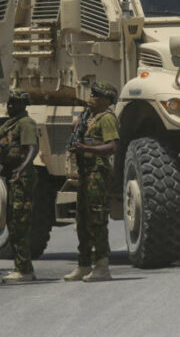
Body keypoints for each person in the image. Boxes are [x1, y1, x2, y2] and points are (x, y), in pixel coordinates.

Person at [63, 82, 119, 282]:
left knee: (97, 219)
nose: (91, 97)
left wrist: (86, 150)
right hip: (86, 173)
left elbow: (112, 147)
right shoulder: (88, 116)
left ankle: (102, 266)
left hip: (98, 172)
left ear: (105, 100)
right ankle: (84, 264)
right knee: (83, 220)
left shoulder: (107, 118)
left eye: (96, 95)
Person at [0, 89, 39, 283]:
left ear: (23, 105)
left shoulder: (26, 123)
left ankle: (24, 270)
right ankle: (22, 267)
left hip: (22, 178)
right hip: (11, 176)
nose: (10, 106)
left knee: (19, 224)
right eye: (9, 102)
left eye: (15, 103)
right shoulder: (9, 124)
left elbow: (32, 147)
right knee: (13, 223)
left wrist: (22, 167)